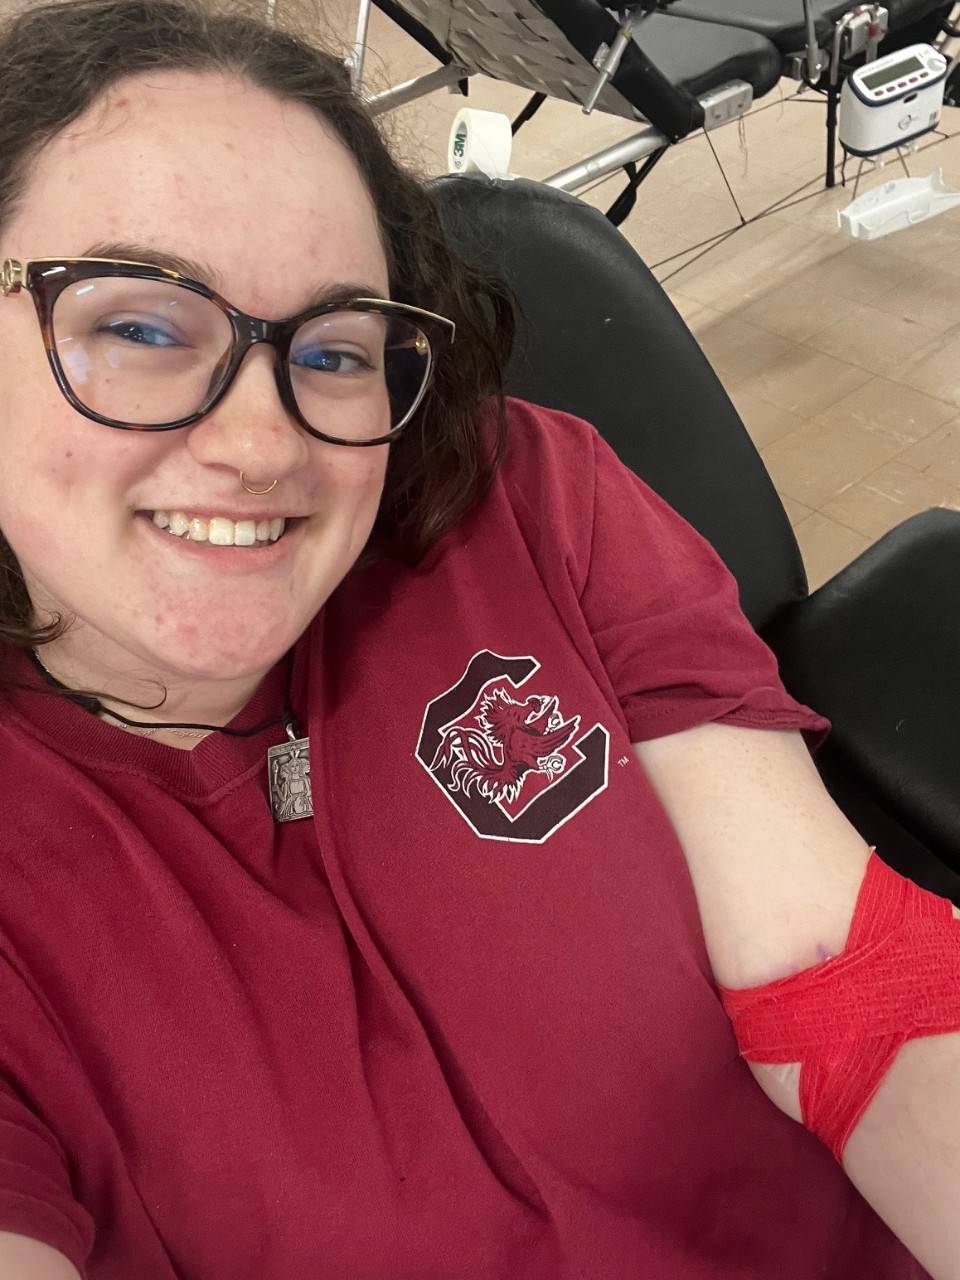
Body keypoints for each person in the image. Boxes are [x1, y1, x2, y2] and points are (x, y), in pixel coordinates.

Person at [0, 1, 956, 1278]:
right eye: (138, 326)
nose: (259, 443)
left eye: (335, 347)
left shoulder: (519, 499)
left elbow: (840, 984)